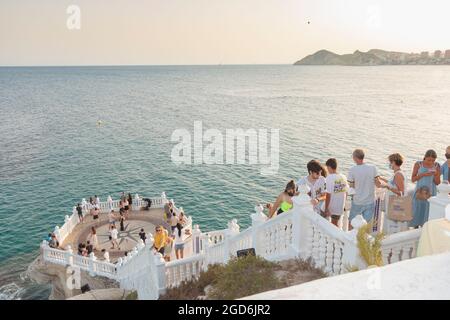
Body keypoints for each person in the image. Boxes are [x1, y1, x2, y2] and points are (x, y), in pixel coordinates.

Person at [347, 149, 381, 227]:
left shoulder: (352, 170)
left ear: (355, 158)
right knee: (364, 225)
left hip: (358, 201)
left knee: (352, 223)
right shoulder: (373, 168)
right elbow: (378, 184)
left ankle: (349, 238)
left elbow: (352, 187)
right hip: (370, 201)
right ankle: (361, 239)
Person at [411, 150, 441, 228]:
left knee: (427, 213)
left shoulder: (437, 166)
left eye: (433, 160)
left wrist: (436, 174)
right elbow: (413, 179)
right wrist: (423, 174)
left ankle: (424, 231)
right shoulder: (418, 164)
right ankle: (415, 229)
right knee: (417, 212)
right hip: (419, 192)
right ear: (425, 157)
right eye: (429, 160)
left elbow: (437, 182)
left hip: (430, 194)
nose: (431, 162)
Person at [379, 153, 407, 233]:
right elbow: (393, 183)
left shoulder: (398, 175)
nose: (389, 164)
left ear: (394, 162)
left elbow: (401, 192)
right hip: (393, 204)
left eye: (390, 162)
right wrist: (382, 179)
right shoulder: (397, 173)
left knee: (392, 227)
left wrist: (388, 187)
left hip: (395, 205)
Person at [324, 158, 349, 227]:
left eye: (327, 168)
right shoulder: (343, 177)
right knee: (335, 223)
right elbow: (346, 192)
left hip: (333, 207)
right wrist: (344, 204)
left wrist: (326, 208)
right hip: (340, 206)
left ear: (329, 167)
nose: (327, 170)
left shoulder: (329, 178)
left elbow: (328, 195)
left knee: (334, 225)